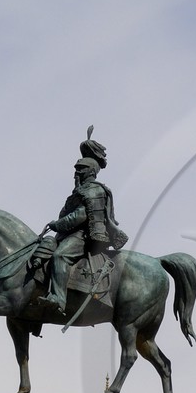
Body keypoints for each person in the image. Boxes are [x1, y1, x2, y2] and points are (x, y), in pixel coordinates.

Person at [39, 129, 128, 314]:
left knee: (60, 256)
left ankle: (58, 299)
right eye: (76, 171)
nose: (75, 175)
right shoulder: (79, 192)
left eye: (79, 171)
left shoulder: (94, 190)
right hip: (66, 234)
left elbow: (81, 216)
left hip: (82, 236)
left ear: (89, 172)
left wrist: (57, 224)